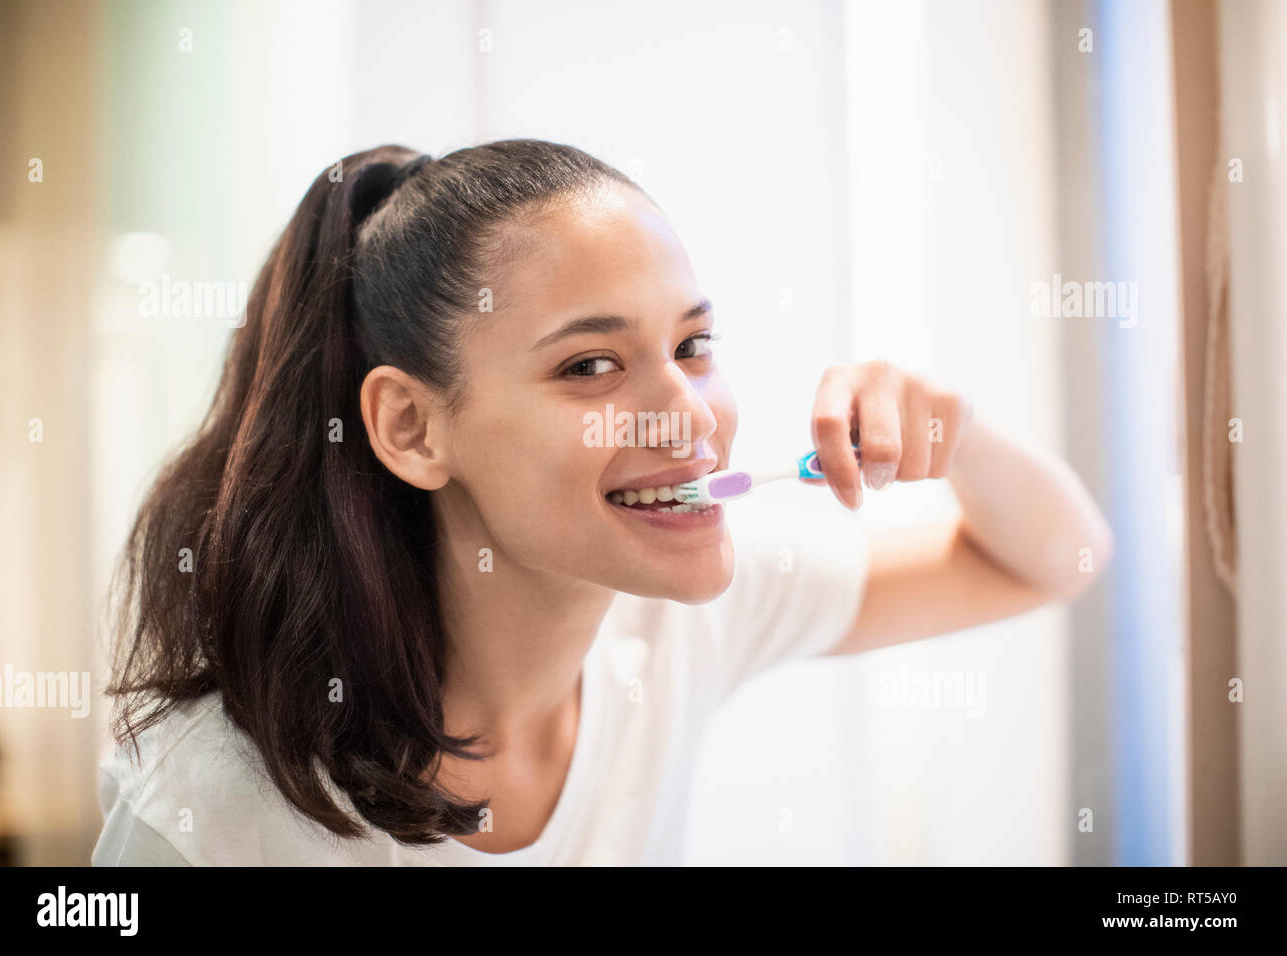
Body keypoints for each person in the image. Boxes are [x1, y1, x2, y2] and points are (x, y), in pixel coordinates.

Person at [92, 140, 1112, 865]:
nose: (689, 414)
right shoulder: (215, 812)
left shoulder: (678, 617)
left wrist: (958, 434)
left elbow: (1059, 558)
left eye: (692, 346)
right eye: (590, 363)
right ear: (412, 426)